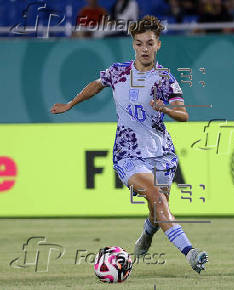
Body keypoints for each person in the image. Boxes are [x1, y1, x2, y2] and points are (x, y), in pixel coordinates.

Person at [50, 15, 208, 274]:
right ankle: (191, 253)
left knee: (159, 210)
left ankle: (147, 233)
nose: (144, 49)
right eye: (139, 44)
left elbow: (184, 114)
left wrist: (165, 108)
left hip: (161, 153)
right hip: (128, 153)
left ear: (158, 45)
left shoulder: (165, 78)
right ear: (133, 45)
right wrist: (70, 104)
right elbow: (96, 85)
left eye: (149, 43)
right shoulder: (118, 71)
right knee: (157, 197)